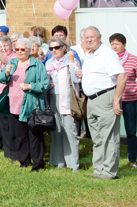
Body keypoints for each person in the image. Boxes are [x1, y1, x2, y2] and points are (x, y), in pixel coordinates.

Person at [80, 26, 127, 179]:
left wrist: (116, 100)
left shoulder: (107, 53)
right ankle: (98, 169)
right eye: (86, 38)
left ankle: (109, 171)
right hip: (92, 100)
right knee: (97, 137)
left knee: (109, 136)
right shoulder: (89, 55)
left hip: (105, 98)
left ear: (99, 37)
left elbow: (122, 76)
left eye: (92, 37)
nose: (89, 40)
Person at [0, 37, 49, 171]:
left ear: (29, 51)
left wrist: (30, 86)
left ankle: (38, 164)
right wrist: (7, 72)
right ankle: (24, 161)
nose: (19, 52)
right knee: (20, 136)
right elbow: (0, 78)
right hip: (14, 105)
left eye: (22, 49)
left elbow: (45, 85)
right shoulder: (12, 62)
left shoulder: (37, 65)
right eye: (17, 49)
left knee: (35, 136)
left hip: (31, 106)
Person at [109, 33, 137, 169]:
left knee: (131, 130)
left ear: (124, 45)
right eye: (112, 44)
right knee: (111, 131)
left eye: (117, 44)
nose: (114, 46)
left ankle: (132, 159)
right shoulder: (108, 59)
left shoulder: (134, 60)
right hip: (112, 99)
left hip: (130, 100)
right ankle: (112, 157)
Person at [46, 36, 81, 172]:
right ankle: (58, 161)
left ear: (64, 47)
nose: (54, 50)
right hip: (53, 98)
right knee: (56, 131)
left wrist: (72, 63)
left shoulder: (71, 61)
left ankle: (73, 164)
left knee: (70, 131)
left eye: (57, 47)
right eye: (51, 48)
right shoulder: (49, 63)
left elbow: (76, 79)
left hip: (67, 99)